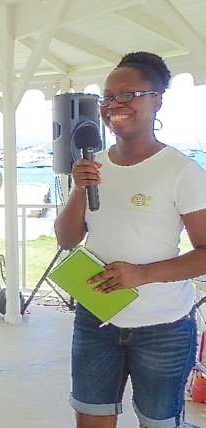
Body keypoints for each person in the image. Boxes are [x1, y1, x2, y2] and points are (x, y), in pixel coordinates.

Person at [54, 52, 206, 428]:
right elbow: (67, 238)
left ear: (157, 101)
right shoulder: (94, 164)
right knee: (90, 418)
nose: (113, 106)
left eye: (128, 95)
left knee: (157, 422)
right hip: (95, 319)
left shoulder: (182, 171)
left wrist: (142, 274)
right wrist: (79, 189)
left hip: (163, 327)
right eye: (107, 98)